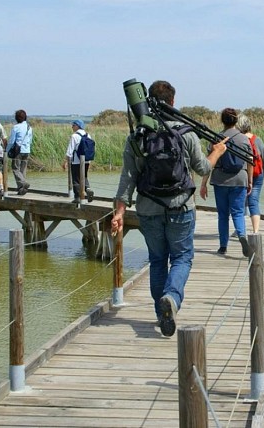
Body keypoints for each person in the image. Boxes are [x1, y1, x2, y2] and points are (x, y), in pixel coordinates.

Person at [111, 80, 227, 337]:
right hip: (181, 207)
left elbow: (126, 180)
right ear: (173, 102)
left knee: (157, 260)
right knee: (182, 257)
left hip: (148, 208)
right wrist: (217, 151)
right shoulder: (187, 133)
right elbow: (203, 169)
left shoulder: (136, 137)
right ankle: (172, 300)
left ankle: (160, 312)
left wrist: (119, 212)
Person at [199, 108, 254, 258]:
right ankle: (242, 235)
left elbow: (209, 162)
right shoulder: (244, 139)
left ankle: (223, 246)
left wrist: (203, 184)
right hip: (239, 179)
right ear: (236, 121)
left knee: (223, 215)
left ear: (222, 121)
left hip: (220, 180)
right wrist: (249, 180)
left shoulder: (216, 138)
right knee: (238, 212)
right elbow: (250, 161)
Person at [236, 113, 264, 233]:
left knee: (241, 201)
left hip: (243, 174)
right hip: (257, 174)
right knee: (253, 201)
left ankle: (241, 230)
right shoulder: (257, 139)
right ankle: (255, 231)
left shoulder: (238, 139)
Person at [62, 119, 94, 203]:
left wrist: (65, 162)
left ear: (77, 126)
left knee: (76, 179)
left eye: (73, 125)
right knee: (84, 177)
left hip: (76, 161)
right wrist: (89, 162)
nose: (72, 127)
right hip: (86, 161)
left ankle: (77, 197)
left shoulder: (74, 136)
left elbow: (69, 151)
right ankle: (88, 189)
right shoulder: (88, 135)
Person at [5, 109, 33, 195]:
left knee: (15, 168)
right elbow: (30, 140)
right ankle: (21, 189)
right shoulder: (29, 127)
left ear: (17, 118)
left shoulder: (16, 127)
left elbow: (12, 141)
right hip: (26, 150)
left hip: (18, 151)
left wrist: (7, 150)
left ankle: (23, 183)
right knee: (23, 169)